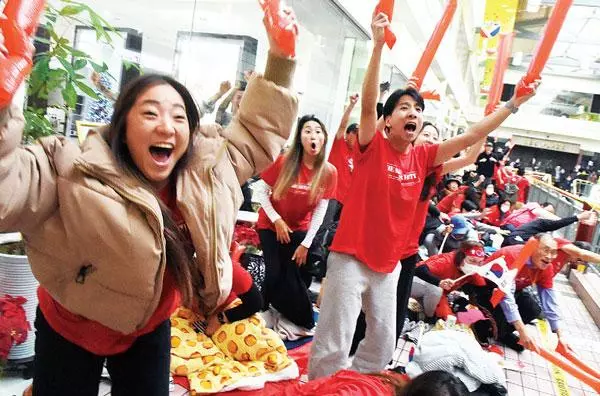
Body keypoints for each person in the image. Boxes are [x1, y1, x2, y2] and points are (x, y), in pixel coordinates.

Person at [0, 17, 298, 395]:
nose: (167, 126)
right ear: (122, 125)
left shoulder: (206, 170)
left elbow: (255, 134)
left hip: (148, 326)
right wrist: (3, 104)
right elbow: (6, 190)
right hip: (71, 323)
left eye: (179, 117)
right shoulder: (69, 165)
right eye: (151, 113)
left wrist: (281, 58)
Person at [309, 11, 538, 379]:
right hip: (350, 257)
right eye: (403, 107)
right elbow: (369, 105)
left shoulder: (425, 158)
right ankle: (321, 387)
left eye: (417, 109)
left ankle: (358, 383)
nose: (412, 113)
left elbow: (468, 140)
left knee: (383, 342)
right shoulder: (373, 146)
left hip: (389, 266)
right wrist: (379, 44)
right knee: (335, 341)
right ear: (387, 121)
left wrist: (512, 105)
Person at [255, 114, 338, 330]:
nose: (313, 135)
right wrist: (277, 220)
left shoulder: (329, 172)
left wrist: (306, 244)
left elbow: (320, 210)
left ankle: (285, 309)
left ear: (324, 138)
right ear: (300, 137)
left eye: (318, 131)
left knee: (294, 272)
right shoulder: (284, 162)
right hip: (270, 224)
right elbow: (260, 191)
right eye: (308, 130)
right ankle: (263, 308)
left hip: (299, 228)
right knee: (273, 270)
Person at [479, 233, 600, 352]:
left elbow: (549, 300)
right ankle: (482, 328)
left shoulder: (547, 267)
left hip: (510, 291)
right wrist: (522, 331)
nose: (550, 256)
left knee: (533, 309)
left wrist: (560, 336)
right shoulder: (514, 256)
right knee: (501, 303)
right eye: (545, 250)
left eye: (553, 252)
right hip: (485, 289)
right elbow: (506, 297)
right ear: (533, 247)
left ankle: (501, 333)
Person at [412, 241, 487, 320]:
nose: (474, 266)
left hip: (440, 294)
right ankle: (429, 318)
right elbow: (419, 269)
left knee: (450, 318)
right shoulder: (447, 261)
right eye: (472, 261)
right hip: (415, 281)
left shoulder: (474, 270)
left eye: (479, 262)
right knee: (436, 291)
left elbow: (481, 286)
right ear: (461, 256)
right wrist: (439, 282)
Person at [327, 93, 359, 221]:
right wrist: (351, 105)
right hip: (331, 196)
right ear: (348, 134)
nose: (358, 137)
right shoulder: (339, 144)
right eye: (355, 133)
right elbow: (342, 125)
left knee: (336, 231)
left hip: (347, 201)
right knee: (323, 227)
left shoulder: (358, 154)